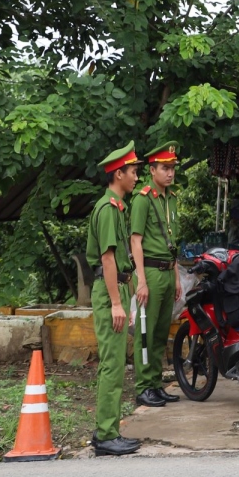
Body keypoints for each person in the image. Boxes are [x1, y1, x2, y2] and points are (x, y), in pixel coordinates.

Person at [86, 142, 142, 456]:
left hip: (116, 289)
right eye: (132, 172)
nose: (136, 177)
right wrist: (116, 303)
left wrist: (125, 296)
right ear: (118, 173)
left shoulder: (117, 207)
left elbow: (120, 262)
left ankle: (109, 430)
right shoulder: (108, 209)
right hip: (109, 292)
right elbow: (107, 260)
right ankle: (106, 434)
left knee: (117, 364)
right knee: (112, 365)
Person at [130, 141, 182, 409]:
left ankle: (155, 384)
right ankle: (143, 387)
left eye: (172, 168)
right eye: (165, 168)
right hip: (149, 271)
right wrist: (140, 280)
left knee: (161, 332)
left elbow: (172, 242)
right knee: (145, 333)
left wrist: (176, 278)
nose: (170, 173)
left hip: (165, 270)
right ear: (152, 170)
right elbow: (135, 241)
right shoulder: (143, 199)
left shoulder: (171, 198)